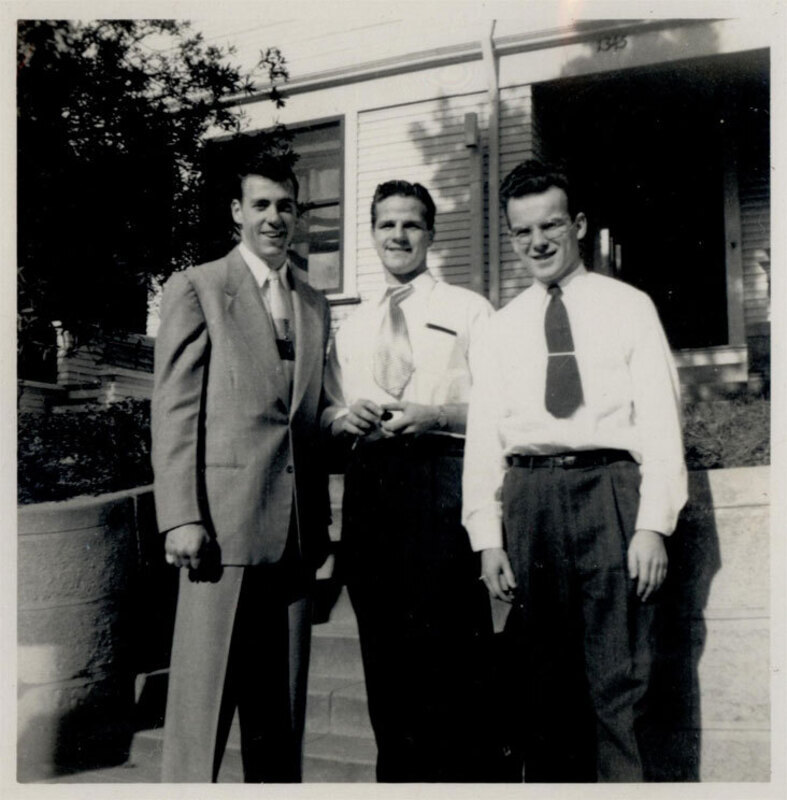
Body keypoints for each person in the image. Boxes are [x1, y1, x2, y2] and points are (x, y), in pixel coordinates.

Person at [462, 160, 688, 782]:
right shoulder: (500, 328)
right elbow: (485, 440)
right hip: (529, 500)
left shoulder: (628, 306)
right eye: (521, 232)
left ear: (579, 225)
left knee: (623, 680)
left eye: (551, 225)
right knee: (542, 686)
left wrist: (652, 526)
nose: (537, 242)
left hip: (611, 492)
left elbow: (662, 422)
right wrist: (487, 539)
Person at [151, 154, 331, 782]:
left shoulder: (313, 303)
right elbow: (173, 408)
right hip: (218, 537)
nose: (274, 218)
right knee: (200, 724)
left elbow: (304, 414)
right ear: (237, 213)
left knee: (279, 728)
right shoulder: (198, 286)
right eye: (261, 205)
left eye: (285, 206)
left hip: (296, 539)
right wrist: (180, 516)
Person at [322, 180, 498, 782]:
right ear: (372, 233)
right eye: (386, 225)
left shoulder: (468, 309)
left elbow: (503, 406)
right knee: (385, 653)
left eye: (411, 225)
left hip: (441, 479)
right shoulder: (351, 326)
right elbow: (327, 408)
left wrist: (439, 414)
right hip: (372, 486)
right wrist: (346, 417)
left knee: (451, 651)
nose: (398, 236)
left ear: (431, 233)